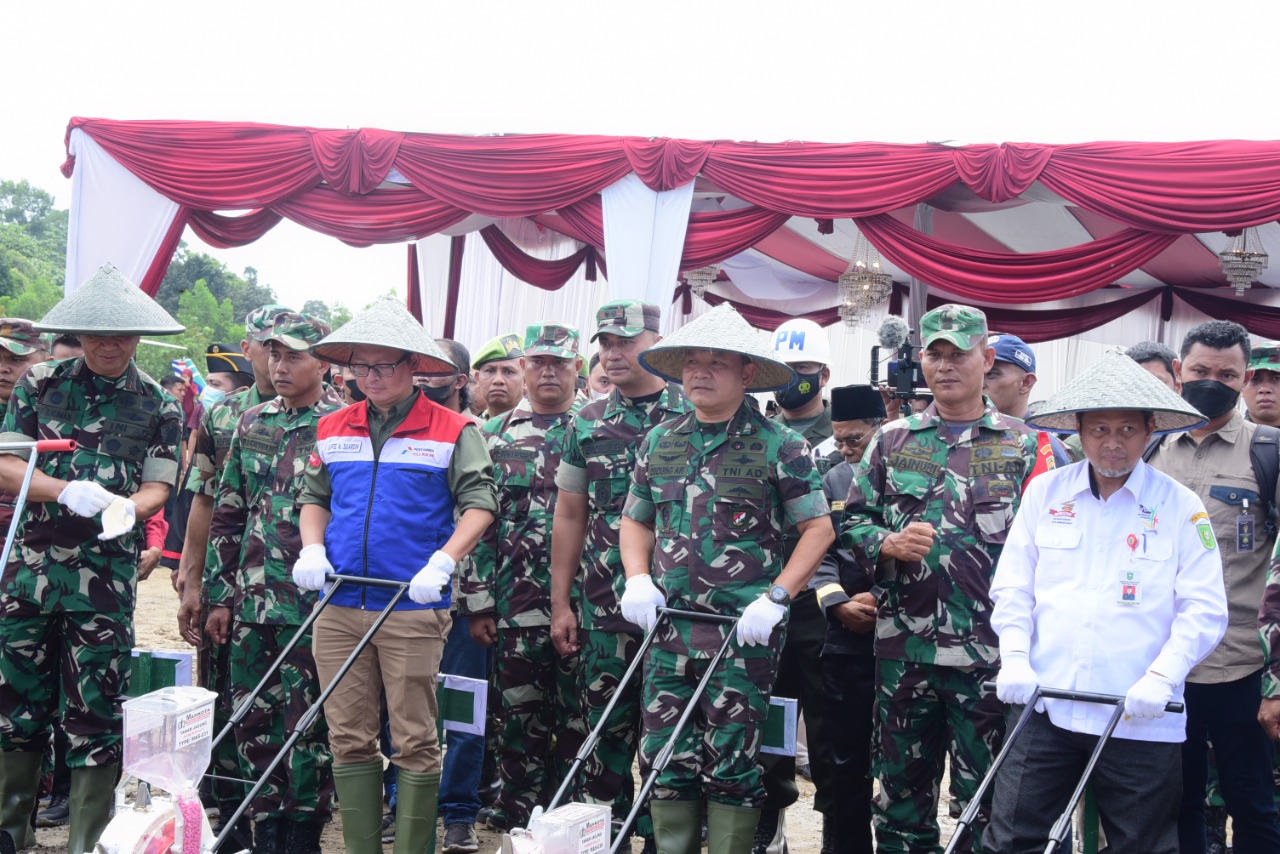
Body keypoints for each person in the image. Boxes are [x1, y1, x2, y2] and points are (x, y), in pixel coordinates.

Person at [988, 349, 1228, 853]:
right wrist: (1013, 656)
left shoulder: (1180, 507)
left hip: (1141, 714)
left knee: (1140, 844)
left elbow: (1204, 610)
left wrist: (1163, 677)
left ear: (1149, 431)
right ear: (1078, 430)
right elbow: (1013, 586)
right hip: (1045, 705)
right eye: (1098, 430)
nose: (1112, 443)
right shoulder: (1046, 494)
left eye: (1126, 430)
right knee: (1012, 837)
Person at [618, 303, 834, 854]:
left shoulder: (780, 445)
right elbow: (636, 520)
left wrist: (777, 597)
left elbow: (817, 529)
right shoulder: (660, 440)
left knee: (734, 764)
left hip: (742, 636)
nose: (701, 372)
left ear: (746, 374)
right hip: (669, 632)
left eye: (717, 362)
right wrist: (637, 578)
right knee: (665, 758)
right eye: (692, 362)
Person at [294, 298, 497, 854]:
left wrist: (444, 561)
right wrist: (313, 548)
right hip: (338, 603)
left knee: (414, 737)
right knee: (348, 735)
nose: (372, 378)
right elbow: (315, 497)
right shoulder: (333, 426)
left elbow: (479, 502)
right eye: (361, 366)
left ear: (413, 367)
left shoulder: (455, 429)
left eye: (384, 367)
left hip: (411, 603)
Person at [841, 304, 1041, 853]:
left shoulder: (1028, 445)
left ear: (987, 357)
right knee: (901, 799)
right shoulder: (892, 440)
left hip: (992, 656)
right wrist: (886, 542)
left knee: (989, 801)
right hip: (904, 653)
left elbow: (1057, 543)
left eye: (959, 353)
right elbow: (852, 521)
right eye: (936, 354)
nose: (946, 365)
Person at [0, 263, 183, 854]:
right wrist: (61, 490)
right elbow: (5, 462)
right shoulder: (40, 385)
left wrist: (130, 507)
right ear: (78, 334)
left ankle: (86, 839)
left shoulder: (159, 403)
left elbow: (161, 483)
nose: (109, 345)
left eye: (122, 335)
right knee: (14, 703)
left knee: (96, 708)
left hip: (103, 583)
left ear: (138, 338)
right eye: (96, 334)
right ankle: (11, 832)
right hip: (28, 575)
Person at [549, 300, 690, 851]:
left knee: (670, 741)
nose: (613, 353)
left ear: (656, 340)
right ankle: (606, 841)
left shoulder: (692, 410)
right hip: (605, 606)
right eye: (606, 343)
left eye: (626, 342)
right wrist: (562, 604)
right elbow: (569, 514)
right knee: (605, 733)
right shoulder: (585, 421)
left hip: (679, 608)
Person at [205, 314, 343, 854]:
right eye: (274, 355)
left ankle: (305, 826)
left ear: (324, 362)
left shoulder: (345, 424)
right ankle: (266, 823)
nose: (281, 366)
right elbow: (228, 512)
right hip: (252, 599)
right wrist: (220, 595)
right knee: (252, 715)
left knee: (310, 718)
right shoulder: (251, 421)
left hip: (316, 600)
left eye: (295, 357)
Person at [1142, 321, 1280, 853]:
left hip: (1239, 665)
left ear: (1244, 380)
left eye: (1228, 374)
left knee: (1252, 802)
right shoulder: (1149, 450)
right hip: (1163, 666)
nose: (1212, 382)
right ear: (1179, 372)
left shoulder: (1267, 452)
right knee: (1176, 801)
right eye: (1201, 370)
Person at [459, 321, 587, 830]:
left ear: (578, 367)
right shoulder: (490, 436)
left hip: (583, 601)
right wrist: (477, 600)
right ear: (526, 368)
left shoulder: (595, 429)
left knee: (579, 712)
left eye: (560, 362)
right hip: (512, 600)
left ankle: (573, 810)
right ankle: (516, 808)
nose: (549, 371)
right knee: (517, 714)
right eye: (538, 362)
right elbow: (474, 520)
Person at [755, 319, 840, 852]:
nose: (792, 381)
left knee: (831, 723)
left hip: (822, 604)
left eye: (803, 371)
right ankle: (772, 813)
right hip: (762, 598)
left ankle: (838, 823)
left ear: (824, 374)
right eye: (785, 371)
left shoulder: (848, 437)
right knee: (770, 714)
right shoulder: (756, 434)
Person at [811, 385, 886, 854]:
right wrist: (835, 600)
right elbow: (816, 544)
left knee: (903, 759)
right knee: (844, 755)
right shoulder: (832, 478)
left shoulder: (907, 472)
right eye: (838, 439)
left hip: (902, 628)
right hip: (844, 633)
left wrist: (879, 596)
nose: (845, 449)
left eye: (854, 439)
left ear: (883, 425)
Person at [471, 333, 524, 419]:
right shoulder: (472, 427)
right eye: (490, 371)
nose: (498, 380)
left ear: (525, 379)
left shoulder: (541, 427)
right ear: (477, 378)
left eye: (509, 372)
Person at [1244, 341, 1280, 428]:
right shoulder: (1220, 437)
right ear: (1241, 387)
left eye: (1276, 378)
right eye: (1254, 379)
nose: (1264, 389)